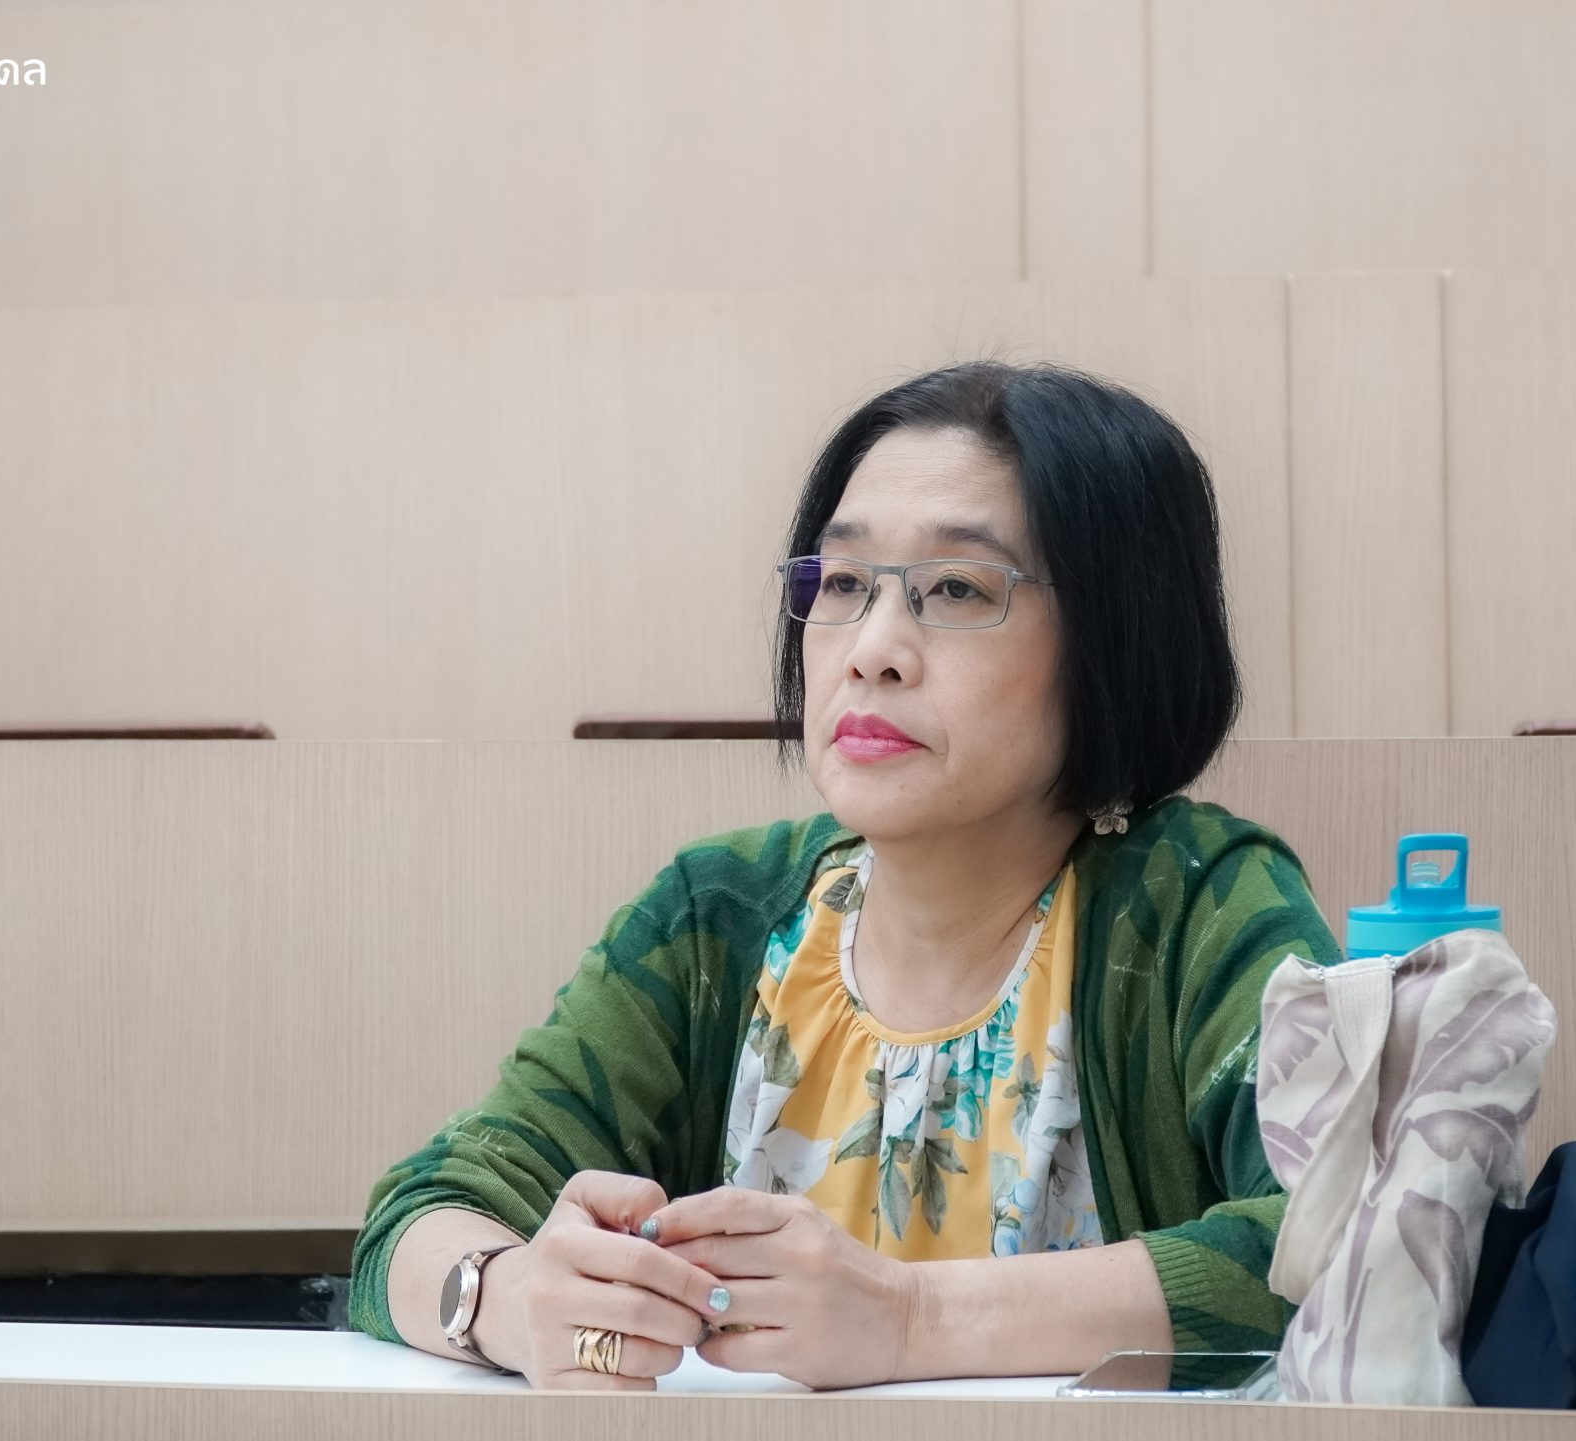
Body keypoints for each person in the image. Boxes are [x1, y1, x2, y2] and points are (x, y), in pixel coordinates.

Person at [350, 361, 1342, 1390]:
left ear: (1117, 639)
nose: (872, 650)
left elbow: (1343, 1243)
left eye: (957, 588)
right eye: (843, 583)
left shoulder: (1196, 902)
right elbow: (421, 1213)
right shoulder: (716, 916)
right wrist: (508, 1297)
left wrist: (913, 1317)